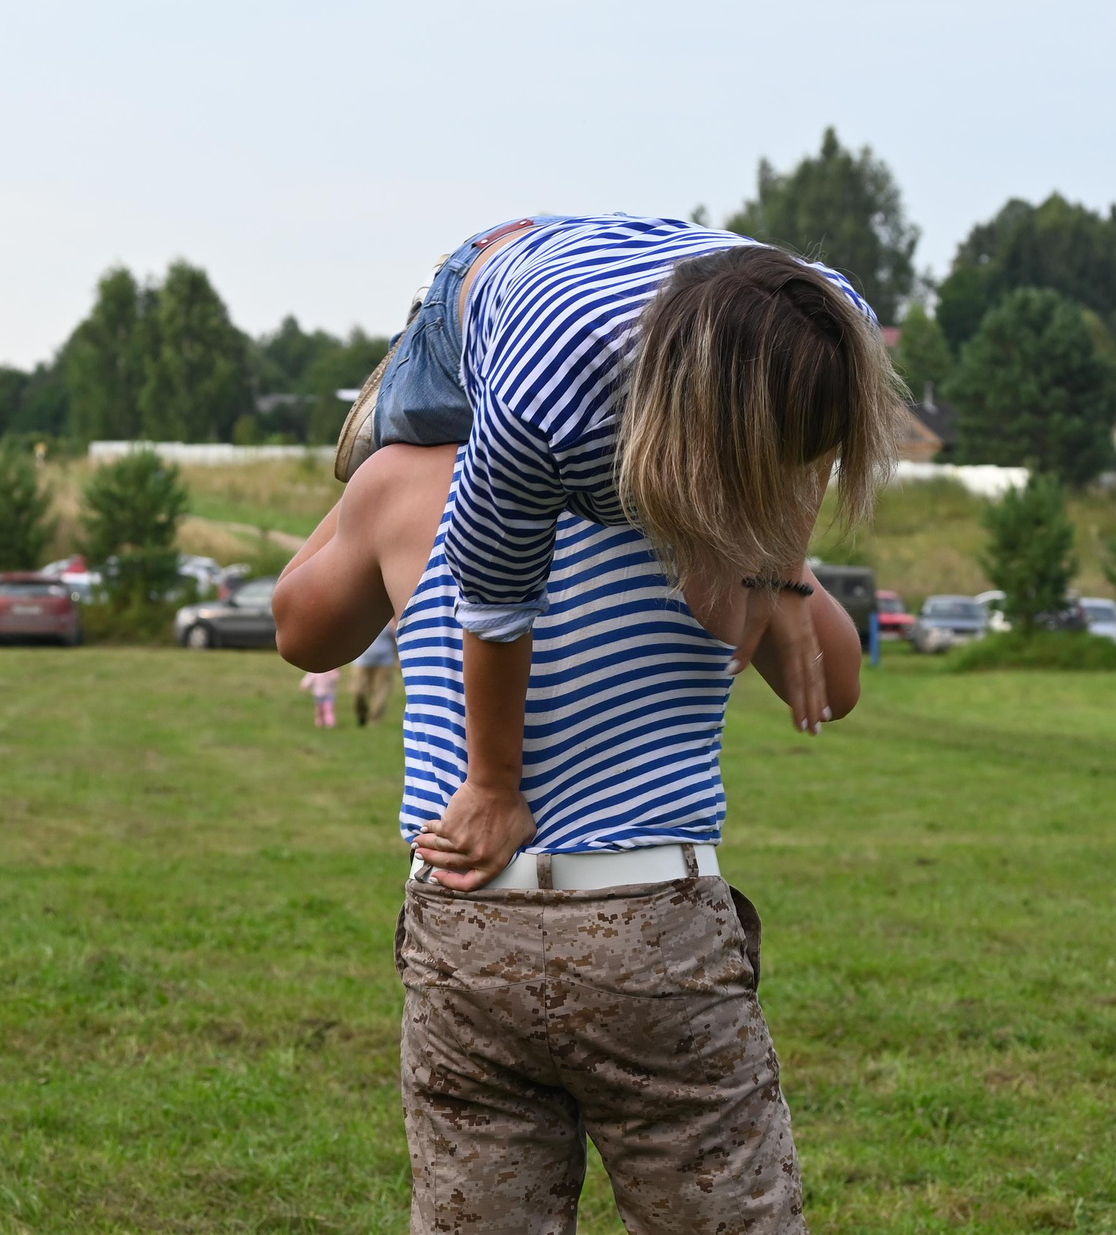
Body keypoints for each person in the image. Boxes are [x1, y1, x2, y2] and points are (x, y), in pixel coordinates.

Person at [275, 445, 888, 1235]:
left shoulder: (412, 480)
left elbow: (301, 631)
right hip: (655, 919)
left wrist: (376, 482)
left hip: (469, 923)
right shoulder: (709, 491)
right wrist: (777, 540)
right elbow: (832, 684)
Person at [333, 217, 902, 897]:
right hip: (477, 306)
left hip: (664, 290)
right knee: (418, 457)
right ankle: (388, 406)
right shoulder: (538, 406)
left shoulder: (835, 327)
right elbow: (495, 602)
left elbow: (806, 454)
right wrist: (492, 785)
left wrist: (780, 568)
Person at [353, 618, 398, 726]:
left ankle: (374, 721)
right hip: (362, 660)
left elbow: (397, 637)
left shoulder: (389, 620)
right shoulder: (360, 618)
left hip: (385, 661)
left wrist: (398, 658)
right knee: (359, 690)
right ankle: (362, 713)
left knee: (381, 691)